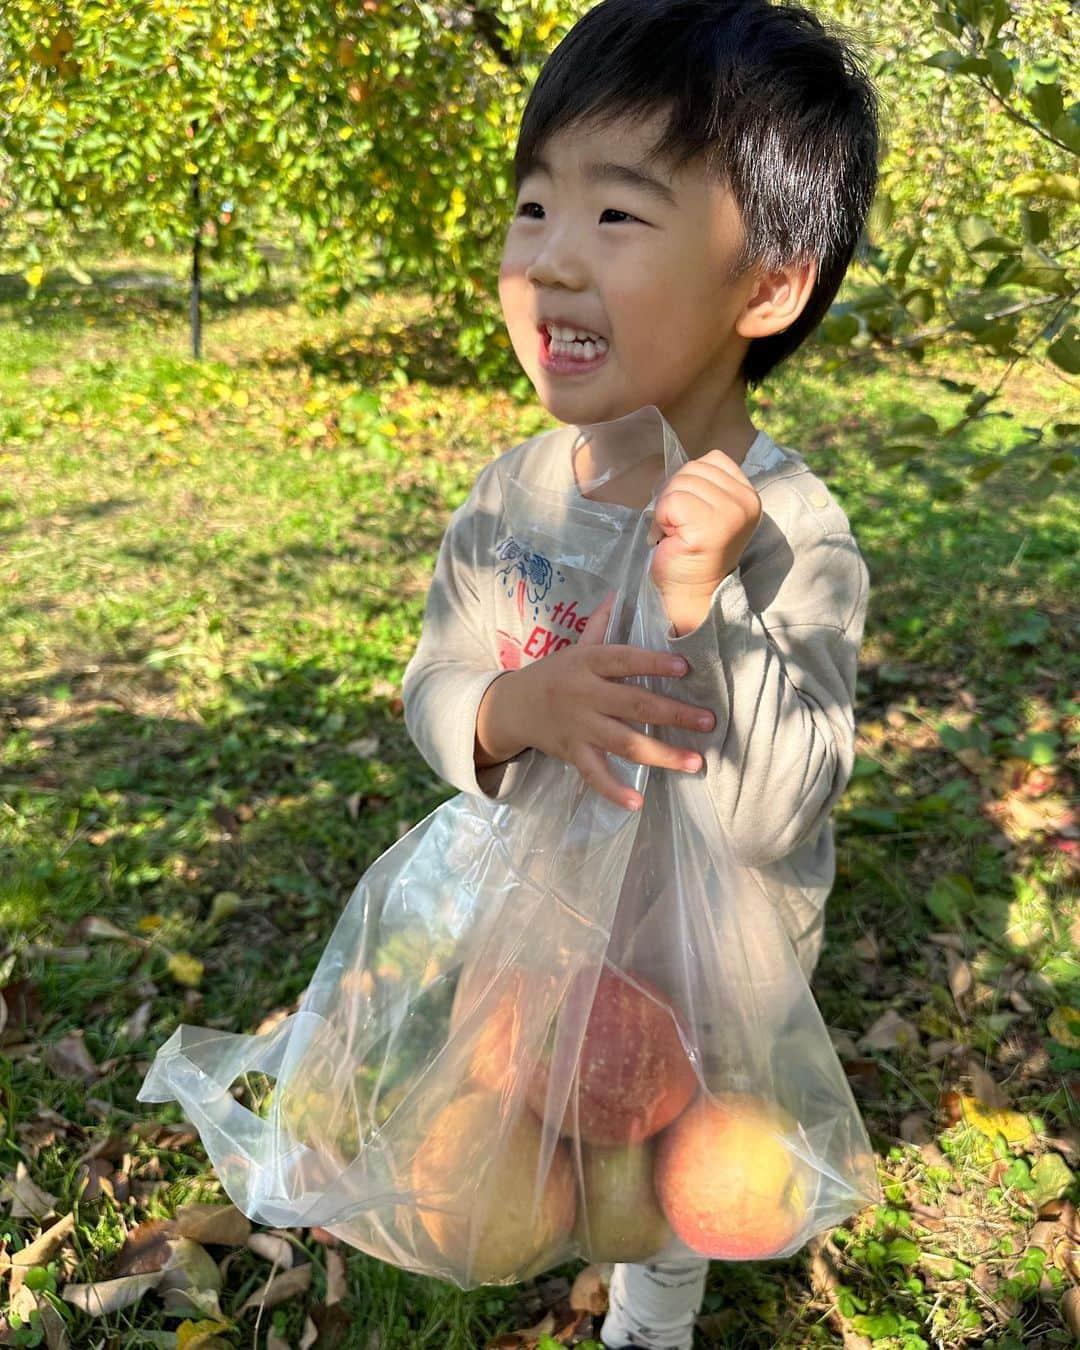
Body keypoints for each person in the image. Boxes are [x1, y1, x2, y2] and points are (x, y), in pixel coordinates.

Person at [401, 0, 881, 1344]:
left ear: (769, 281)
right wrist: (505, 709)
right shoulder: (514, 502)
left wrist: (706, 597)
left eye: (615, 216)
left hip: (709, 972)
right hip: (546, 943)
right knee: (538, 1154)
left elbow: (778, 806)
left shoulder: (796, 535)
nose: (552, 260)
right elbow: (433, 680)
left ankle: (652, 1316)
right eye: (533, 206)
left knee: (676, 1192)